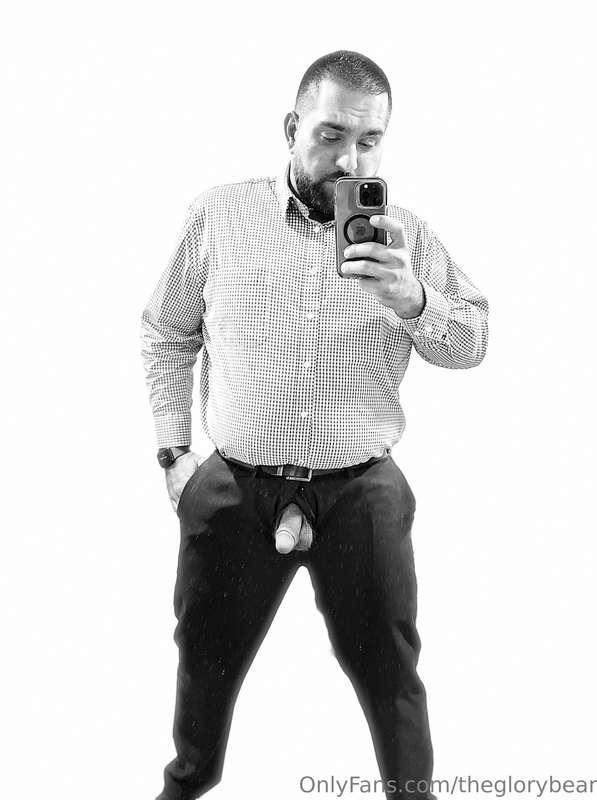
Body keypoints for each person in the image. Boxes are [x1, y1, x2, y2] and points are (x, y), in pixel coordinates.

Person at [140, 50, 489, 800]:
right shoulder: (218, 215)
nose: (349, 159)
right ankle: (187, 785)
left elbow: (472, 344)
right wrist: (174, 453)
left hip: (362, 490)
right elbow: (167, 330)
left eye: (369, 140)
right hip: (234, 487)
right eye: (331, 135)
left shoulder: (406, 238)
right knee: (204, 659)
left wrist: (414, 300)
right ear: (292, 127)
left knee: (392, 673)